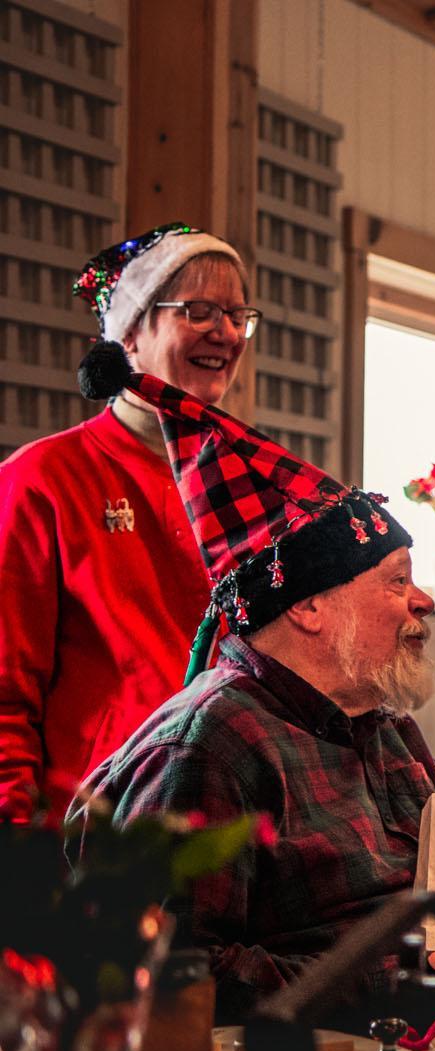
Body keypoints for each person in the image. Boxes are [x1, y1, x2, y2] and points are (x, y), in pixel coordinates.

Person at [68, 356, 435, 1023]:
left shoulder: (380, 723)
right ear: (308, 607)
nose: (423, 600)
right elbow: (170, 979)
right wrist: (395, 980)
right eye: (395, 581)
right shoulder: (209, 750)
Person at [0, 224, 255, 819]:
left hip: (230, 822)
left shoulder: (250, 480)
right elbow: (6, 692)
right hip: (96, 831)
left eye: (238, 314)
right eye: (198, 310)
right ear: (130, 334)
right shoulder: (43, 478)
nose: (226, 332)